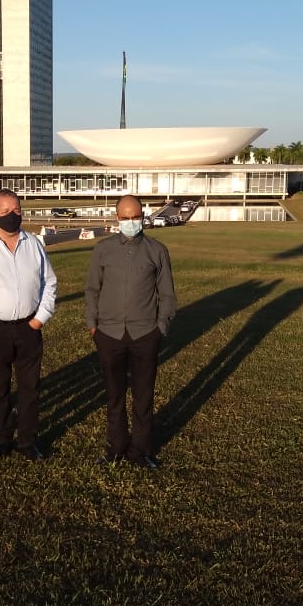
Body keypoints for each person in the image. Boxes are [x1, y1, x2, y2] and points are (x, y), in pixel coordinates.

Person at [85, 194, 177, 469]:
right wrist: (93, 324)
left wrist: (161, 326)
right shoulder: (103, 250)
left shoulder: (157, 250)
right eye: (125, 218)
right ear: (117, 219)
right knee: (114, 395)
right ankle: (116, 446)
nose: (130, 222)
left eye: (135, 217)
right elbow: (92, 289)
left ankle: (141, 450)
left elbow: (167, 294)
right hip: (109, 333)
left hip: (145, 333)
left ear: (143, 216)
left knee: (143, 395)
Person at [0, 189, 57, 460]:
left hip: (29, 327)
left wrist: (40, 318)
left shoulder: (33, 243)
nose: (12, 215)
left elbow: (49, 282)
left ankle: (28, 441)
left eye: (16, 210)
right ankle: (2, 438)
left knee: (30, 388)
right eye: (5, 212)